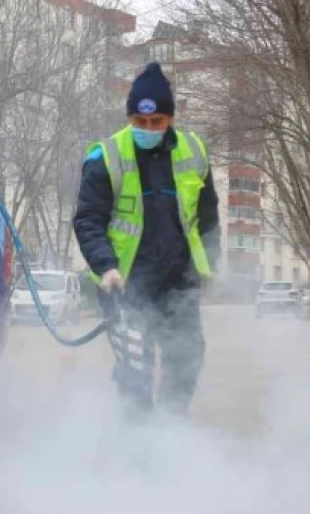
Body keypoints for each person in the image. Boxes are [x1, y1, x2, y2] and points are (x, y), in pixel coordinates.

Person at [72, 62, 221, 418]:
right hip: (124, 283)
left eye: (156, 122)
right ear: (130, 118)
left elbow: (208, 216)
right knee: (135, 368)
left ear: (170, 119)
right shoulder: (106, 157)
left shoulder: (195, 151)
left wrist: (210, 266)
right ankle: (137, 448)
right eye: (140, 122)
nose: (148, 129)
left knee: (185, 359)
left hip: (177, 281)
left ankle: (170, 432)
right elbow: (88, 219)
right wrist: (105, 266)